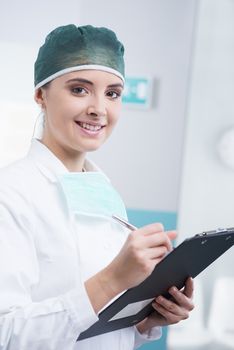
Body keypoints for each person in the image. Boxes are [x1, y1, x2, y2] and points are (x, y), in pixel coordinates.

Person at [0, 24, 194, 350]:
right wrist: (112, 279)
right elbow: (6, 334)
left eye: (112, 93)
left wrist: (147, 317)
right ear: (40, 95)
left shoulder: (104, 195)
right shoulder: (11, 193)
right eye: (79, 89)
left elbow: (96, 323)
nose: (99, 109)